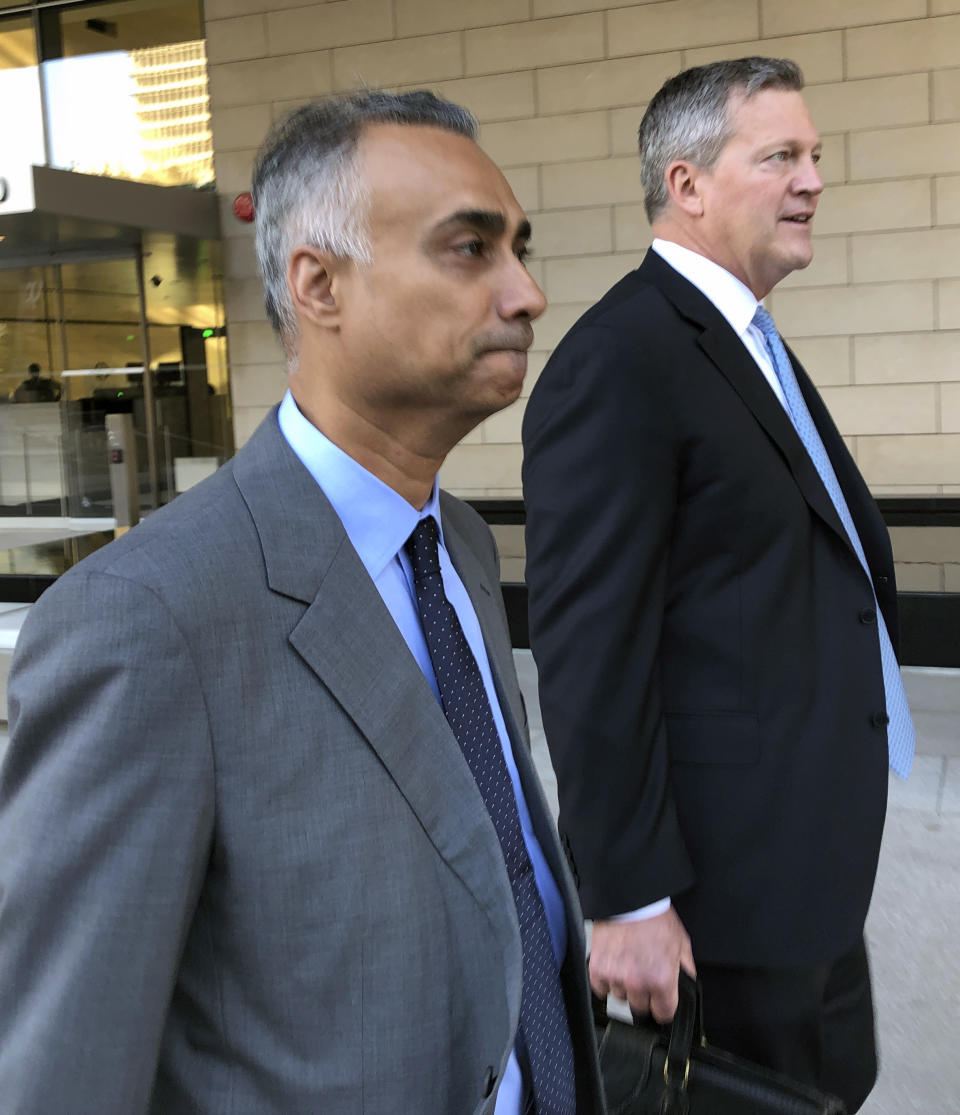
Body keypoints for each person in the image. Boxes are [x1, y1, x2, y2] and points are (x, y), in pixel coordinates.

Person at [0, 91, 603, 1115]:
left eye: (519, 247)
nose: (528, 292)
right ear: (317, 284)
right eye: (470, 248)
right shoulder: (147, 621)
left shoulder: (453, 537)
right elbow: (61, 1068)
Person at [522, 57, 915, 1114]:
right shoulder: (625, 357)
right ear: (687, 183)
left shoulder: (747, 345)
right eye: (781, 154)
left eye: (816, 155)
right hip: (717, 902)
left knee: (829, 1090)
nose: (814, 179)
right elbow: (592, 650)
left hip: (803, 869)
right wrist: (629, 897)